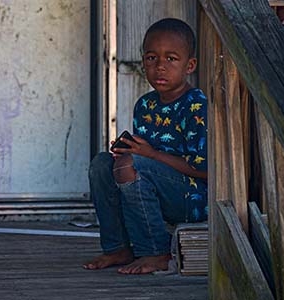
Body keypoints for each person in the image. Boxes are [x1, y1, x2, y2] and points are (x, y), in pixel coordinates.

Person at [83, 18, 208, 275]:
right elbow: (142, 159)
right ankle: (118, 247)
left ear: (190, 65)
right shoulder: (146, 105)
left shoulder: (196, 105)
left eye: (171, 59)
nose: (160, 67)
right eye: (151, 58)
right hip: (156, 186)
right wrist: (129, 150)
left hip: (192, 197)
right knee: (102, 164)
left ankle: (156, 251)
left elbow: (205, 169)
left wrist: (149, 155)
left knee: (130, 165)